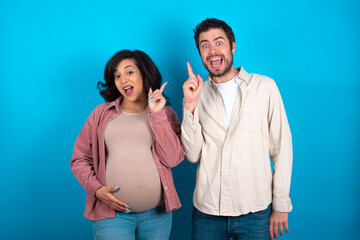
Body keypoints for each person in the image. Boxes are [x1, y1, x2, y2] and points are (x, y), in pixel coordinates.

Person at [181, 18, 293, 240]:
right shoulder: (196, 94)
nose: (212, 50)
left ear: (232, 46)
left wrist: (281, 204)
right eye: (205, 45)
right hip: (207, 213)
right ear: (200, 53)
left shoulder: (264, 87)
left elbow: (282, 149)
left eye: (218, 42)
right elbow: (192, 155)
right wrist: (190, 107)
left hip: (256, 212)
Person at [71, 50, 184, 240]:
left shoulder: (166, 114)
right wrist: (96, 190)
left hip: (157, 216)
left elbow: (173, 159)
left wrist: (157, 116)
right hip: (111, 217)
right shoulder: (101, 114)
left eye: (129, 72)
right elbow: (79, 159)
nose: (123, 79)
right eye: (117, 75)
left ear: (144, 74)